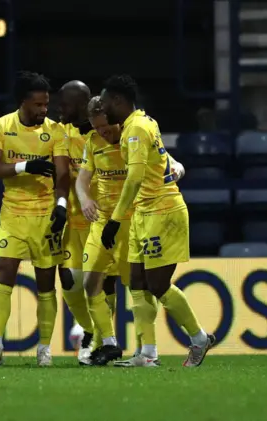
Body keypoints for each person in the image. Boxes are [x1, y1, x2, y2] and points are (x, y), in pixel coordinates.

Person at [100, 75, 215, 367]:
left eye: (104, 103)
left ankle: (199, 338)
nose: (102, 110)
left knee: (158, 284)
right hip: (143, 213)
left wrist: (114, 220)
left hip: (161, 211)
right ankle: (147, 354)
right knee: (137, 282)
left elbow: (136, 177)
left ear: (117, 100)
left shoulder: (136, 128)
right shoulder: (141, 122)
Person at [0, 71, 70, 367]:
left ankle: (44, 348)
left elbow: (62, 173)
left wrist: (61, 204)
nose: (43, 110)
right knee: (4, 273)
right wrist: (25, 166)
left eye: (46, 104)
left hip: (46, 217)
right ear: (22, 102)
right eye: (37, 105)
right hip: (13, 214)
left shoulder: (56, 131)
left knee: (47, 284)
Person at [57, 80, 99, 365]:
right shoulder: (61, 133)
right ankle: (87, 328)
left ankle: (102, 341)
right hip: (73, 222)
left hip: (100, 219)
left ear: (82, 104)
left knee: (98, 286)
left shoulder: (103, 133)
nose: (61, 109)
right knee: (70, 282)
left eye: (66, 103)